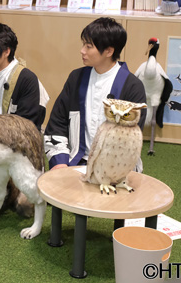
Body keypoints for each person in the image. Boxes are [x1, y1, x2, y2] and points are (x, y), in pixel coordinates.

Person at [44, 17, 147, 170]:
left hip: (116, 168)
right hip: (76, 161)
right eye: (83, 45)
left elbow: (131, 138)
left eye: (88, 46)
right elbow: (57, 123)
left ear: (109, 51)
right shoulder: (76, 78)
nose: (82, 51)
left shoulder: (132, 86)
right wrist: (60, 162)